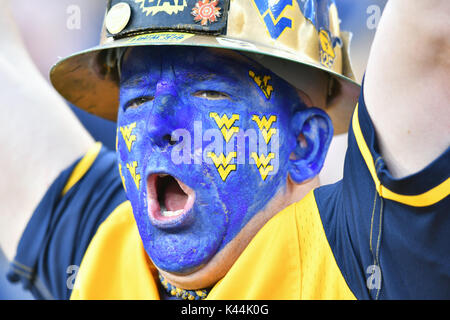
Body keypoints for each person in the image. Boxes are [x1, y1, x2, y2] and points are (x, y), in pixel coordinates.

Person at [1, 0, 448, 300]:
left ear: (304, 143)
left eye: (209, 94)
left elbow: (429, 30)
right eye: (136, 101)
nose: (157, 126)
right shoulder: (101, 253)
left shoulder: (369, 251)